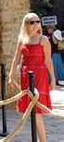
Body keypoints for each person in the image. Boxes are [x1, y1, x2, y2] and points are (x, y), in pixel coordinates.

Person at [9, 13, 55, 142]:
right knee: (31, 111)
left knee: (37, 112)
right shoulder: (22, 39)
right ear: (26, 25)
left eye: (37, 21)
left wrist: (53, 79)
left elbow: (48, 61)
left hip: (39, 77)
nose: (35, 24)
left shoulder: (44, 40)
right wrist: (11, 76)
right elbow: (16, 59)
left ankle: (42, 140)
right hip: (26, 77)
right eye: (32, 22)